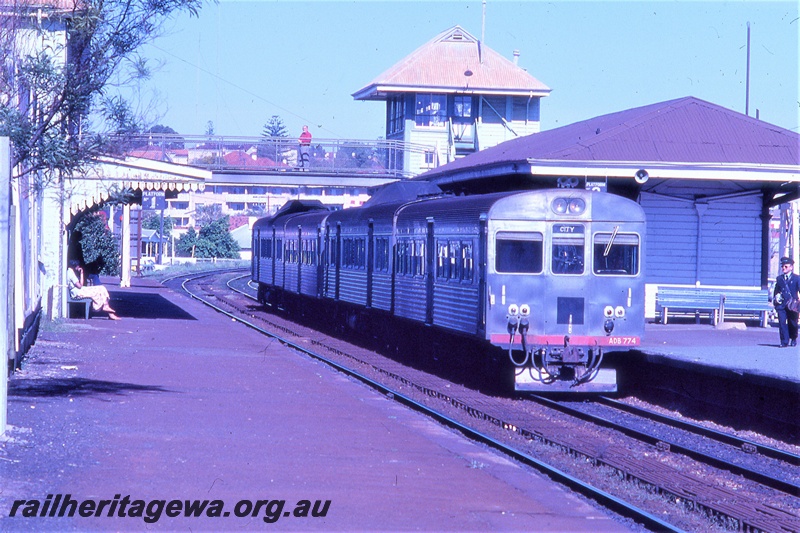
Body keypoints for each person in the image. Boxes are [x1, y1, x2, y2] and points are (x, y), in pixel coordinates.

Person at [773, 256, 799, 347]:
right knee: (782, 323)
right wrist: (776, 298)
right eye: (782, 266)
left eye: (786, 266)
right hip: (782, 305)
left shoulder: (796, 278)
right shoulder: (779, 278)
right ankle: (784, 341)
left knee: (793, 323)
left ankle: (793, 337)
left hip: (792, 305)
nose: (783, 268)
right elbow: (776, 290)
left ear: (791, 267)